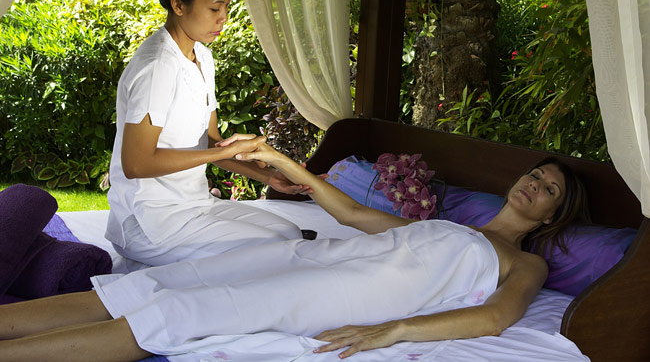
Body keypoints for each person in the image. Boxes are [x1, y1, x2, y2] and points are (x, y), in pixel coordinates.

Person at [0, 143, 590, 362]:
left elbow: (495, 318)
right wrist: (286, 165)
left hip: (353, 291)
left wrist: (394, 331)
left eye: (550, 190)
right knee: (162, 283)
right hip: (322, 256)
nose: (535, 185)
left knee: (185, 313)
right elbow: (355, 216)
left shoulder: (525, 263)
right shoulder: (442, 224)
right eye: (536, 175)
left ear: (551, 216)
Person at [105, 0, 309, 267]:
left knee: (289, 233)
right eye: (215, 9)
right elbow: (136, 164)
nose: (223, 18)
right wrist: (224, 152)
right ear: (178, 4)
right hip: (150, 222)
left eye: (226, 7)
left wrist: (269, 177)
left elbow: (213, 142)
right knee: (277, 248)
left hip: (194, 204)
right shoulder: (157, 67)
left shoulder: (202, 57)